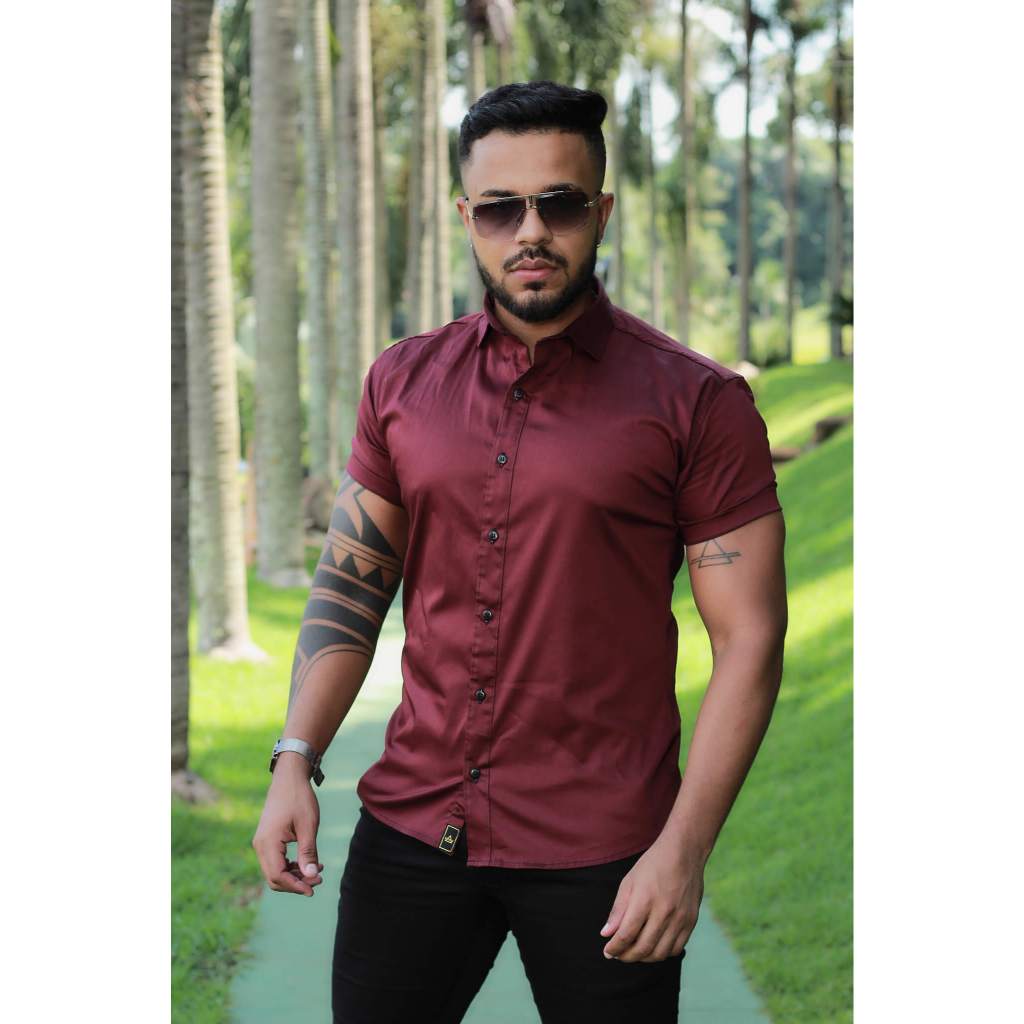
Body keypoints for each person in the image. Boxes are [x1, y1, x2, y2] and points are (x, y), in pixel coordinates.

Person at [252, 80, 788, 1024]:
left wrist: (683, 850)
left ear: (601, 212)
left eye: (559, 203)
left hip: (606, 852)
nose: (530, 231)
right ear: (468, 217)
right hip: (414, 828)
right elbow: (351, 585)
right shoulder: (402, 383)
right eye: (501, 207)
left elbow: (750, 640)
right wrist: (296, 756)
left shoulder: (698, 404)